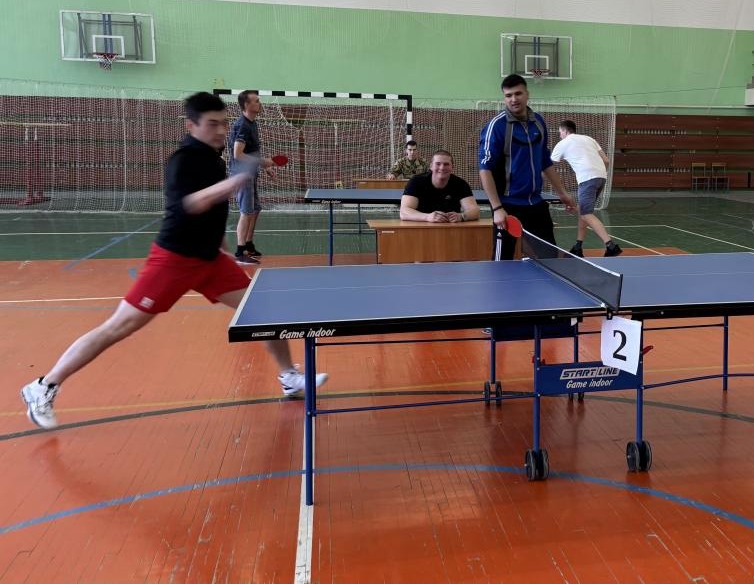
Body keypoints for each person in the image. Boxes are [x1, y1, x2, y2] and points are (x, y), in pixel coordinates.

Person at [19, 92, 328, 430]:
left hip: (210, 260)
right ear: (191, 125)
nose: (220, 130)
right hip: (174, 260)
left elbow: (213, 214)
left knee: (262, 311)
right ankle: (43, 386)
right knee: (118, 326)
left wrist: (224, 249)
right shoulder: (182, 160)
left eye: (224, 123)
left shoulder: (214, 159)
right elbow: (190, 204)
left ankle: (288, 377)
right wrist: (235, 182)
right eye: (212, 124)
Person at [479, 74, 577, 259]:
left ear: (527, 94)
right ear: (504, 98)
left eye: (518, 93)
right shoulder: (496, 126)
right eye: (508, 95)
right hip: (507, 205)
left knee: (550, 259)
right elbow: (485, 170)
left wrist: (562, 193)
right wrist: (497, 208)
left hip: (535, 203)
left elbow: (545, 161)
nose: (513, 99)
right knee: (502, 262)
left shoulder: (538, 122)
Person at [550, 120, 622, 257]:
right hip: (601, 177)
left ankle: (610, 246)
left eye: (560, 132)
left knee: (586, 214)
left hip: (587, 179)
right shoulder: (589, 139)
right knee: (584, 212)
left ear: (565, 131)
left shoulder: (562, 144)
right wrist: (600, 173)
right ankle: (578, 247)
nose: (560, 135)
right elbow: (606, 160)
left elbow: (549, 166)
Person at [227, 89, 279, 265]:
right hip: (242, 175)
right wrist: (263, 161)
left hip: (251, 172)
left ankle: (248, 244)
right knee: (246, 212)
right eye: (256, 101)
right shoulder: (242, 125)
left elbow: (252, 151)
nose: (259, 103)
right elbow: (238, 154)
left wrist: (265, 167)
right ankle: (240, 252)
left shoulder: (252, 123)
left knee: (255, 209)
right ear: (246, 105)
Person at [399, 150, 481, 223]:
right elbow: (404, 212)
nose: (442, 168)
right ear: (431, 166)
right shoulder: (416, 182)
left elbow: (475, 211)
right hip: (422, 229)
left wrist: (462, 216)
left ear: (452, 167)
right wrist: (428, 217)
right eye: (438, 164)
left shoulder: (460, 184)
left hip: (451, 229)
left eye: (446, 164)